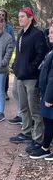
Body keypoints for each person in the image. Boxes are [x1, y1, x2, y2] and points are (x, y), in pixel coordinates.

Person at [10, 7, 49, 155]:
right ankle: (26, 132)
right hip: (20, 76)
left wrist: (30, 69)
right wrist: (15, 65)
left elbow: (41, 55)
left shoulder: (37, 34)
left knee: (35, 110)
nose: (19, 19)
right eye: (19, 17)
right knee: (24, 107)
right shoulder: (21, 33)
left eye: (22, 17)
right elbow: (19, 53)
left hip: (31, 79)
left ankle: (37, 139)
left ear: (30, 18)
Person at [29, 25, 53, 159]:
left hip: (50, 95)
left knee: (49, 121)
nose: (49, 35)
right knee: (48, 121)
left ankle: (45, 148)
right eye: (49, 32)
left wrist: (49, 98)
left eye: (51, 33)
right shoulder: (51, 50)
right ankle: (45, 147)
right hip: (47, 93)